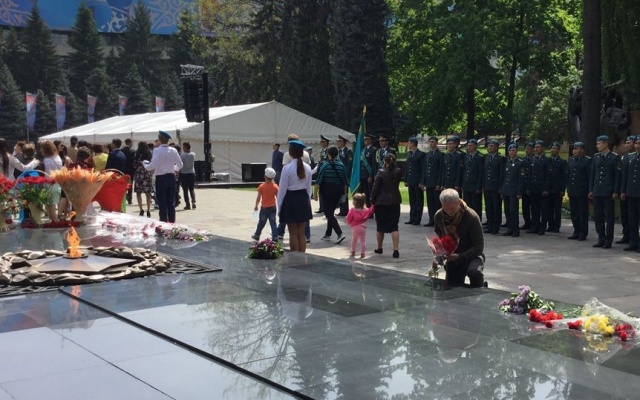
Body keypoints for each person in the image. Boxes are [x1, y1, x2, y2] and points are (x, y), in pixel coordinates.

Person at [433, 188, 486, 288]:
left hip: (473, 255)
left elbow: (478, 247)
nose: (449, 212)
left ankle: (480, 287)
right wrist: (438, 257)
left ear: (458, 202)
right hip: (453, 256)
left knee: (474, 273)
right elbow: (440, 240)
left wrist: (460, 256)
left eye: (452, 209)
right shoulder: (439, 216)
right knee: (452, 286)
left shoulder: (471, 217)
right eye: (446, 209)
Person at [277, 139, 313, 252]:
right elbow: (309, 188)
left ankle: (295, 258)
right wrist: (307, 202)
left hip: (291, 199)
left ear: (290, 152)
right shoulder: (308, 167)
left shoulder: (286, 168)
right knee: (301, 233)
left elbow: (282, 189)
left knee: (293, 233)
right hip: (303, 198)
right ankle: (302, 256)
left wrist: (280, 206)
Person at [144, 131, 184, 223]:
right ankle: (172, 222)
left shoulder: (157, 150)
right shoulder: (173, 150)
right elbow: (180, 164)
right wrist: (174, 169)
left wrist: (145, 165)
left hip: (161, 178)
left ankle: (163, 222)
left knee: (162, 203)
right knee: (171, 202)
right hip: (171, 177)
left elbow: (153, 165)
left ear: (159, 139)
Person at [589, 135, 620, 248]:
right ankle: (601, 238)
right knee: (598, 216)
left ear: (606, 144)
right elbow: (593, 174)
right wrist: (591, 189)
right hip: (597, 190)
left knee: (609, 217)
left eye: (599, 143)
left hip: (608, 191)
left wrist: (615, 191)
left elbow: (617, 176)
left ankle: (608, 240)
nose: (597, 146)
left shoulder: (614, 157)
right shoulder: (596, 157)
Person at [371, 153, 402, 258]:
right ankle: (396, 249)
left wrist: (372, 199)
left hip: (382, 202)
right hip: (395, 201)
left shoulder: (381, 172)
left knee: (380, 227)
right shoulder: (398, 171)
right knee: (394, 227)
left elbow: (375, 187)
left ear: (384, 162)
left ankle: (379, 247)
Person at [316, 146, 348, 244]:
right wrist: (345, 194)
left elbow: (318, 181)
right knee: (331, 211)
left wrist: (315, 194)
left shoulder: (325, 165)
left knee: (328, 213)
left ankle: (339, 233)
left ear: (328, 154)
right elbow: (345, 181)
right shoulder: (341, 165)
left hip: (327, 191)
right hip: (338, 191)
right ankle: (328, 234)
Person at [566, 142, 591, 241]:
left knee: (582, 213)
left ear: (582, 150)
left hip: (582, 191)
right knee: (574, 213)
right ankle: (576, 231)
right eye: (574, 149)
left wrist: (589, 190)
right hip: (572, 190)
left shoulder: (587, 161)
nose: (574, 151)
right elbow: (569, 175)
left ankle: (583, 233)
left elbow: (589, 177)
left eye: (576, 149)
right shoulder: (571, 160)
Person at [620, 136, 640, 252]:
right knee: (632, 219)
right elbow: (625, 176)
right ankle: (633, 243)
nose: (637, 146)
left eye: (639, 143)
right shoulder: (630, 157)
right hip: (631, 192)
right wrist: (623, 191)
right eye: (636, 143)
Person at [501, 144, 525, 237]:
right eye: (510, 150)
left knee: (513, 210)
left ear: (517, 151)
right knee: (507, 210)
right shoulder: (507, 162)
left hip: (514, 191)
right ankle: (509, 228)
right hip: (506, 190)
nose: (511, 152)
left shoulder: (520, 162)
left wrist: (519, 192)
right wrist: (503, 191)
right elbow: (504, 178)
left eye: (513, 150)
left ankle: (515, 229)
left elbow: (521, 179)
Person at [526, 140, 549, 235]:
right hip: (533, 188)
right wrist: (528, 187)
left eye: (538, 147)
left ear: (543, 148)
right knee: (534, 209)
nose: (536, 149)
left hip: (542, 188)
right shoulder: (533, 159)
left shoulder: (547, 160)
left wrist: (546, 189)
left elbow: (548, 176)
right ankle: (535, 226)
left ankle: (542, 227)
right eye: (535, 147)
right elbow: (529, 174)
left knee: (543, 209)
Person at [617, 135, 636, 244]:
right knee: (625, 215)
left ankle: (634, 238)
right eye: (626, 143)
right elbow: (622, 175)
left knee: (633, 217)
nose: (626, 145)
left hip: (634, 191)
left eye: (629, 143)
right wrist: (621, 190)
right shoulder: (625, 157)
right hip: (625, 190)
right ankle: (626, 236)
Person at [483, 139, 504, 234]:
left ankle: (496, 226)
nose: (490, 147)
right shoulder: (486, 157)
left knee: (496, 207)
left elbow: (501, 174)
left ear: (496, 147)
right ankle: (490, 225)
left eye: (492, 146)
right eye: (489, 146)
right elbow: (484, 173)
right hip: (487, 186)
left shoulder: (500, 159)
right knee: (489, 207)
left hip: (495, 187)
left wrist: (500, 187)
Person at [421, 135, 443, 226]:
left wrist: (439, 183)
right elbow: (425, 169)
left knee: (437, 202)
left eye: (433, 142)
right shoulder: (427, 154)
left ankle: (438, 221)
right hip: (428, 181)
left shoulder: (440, 155)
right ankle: (431, 220)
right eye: (430, 142)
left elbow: (441, 170)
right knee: (430, 202)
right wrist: (423, 182)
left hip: (435, 182)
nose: (431, 143)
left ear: (436, 143)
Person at [252, 167, 279, 241]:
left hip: (264, 207)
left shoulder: (261, 186)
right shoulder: (275, 186)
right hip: (273, 207)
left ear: (265, 176)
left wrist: (256, 206)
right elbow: (278, 197)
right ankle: (275, 236)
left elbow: (258, 198)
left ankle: (257, 235)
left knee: (261, 222)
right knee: (273, 222)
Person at [545, 142, 567, 233]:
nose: (553, 150)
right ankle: (550, 225)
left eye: (555, 148)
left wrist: (562, 189)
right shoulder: (547, 161)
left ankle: (557, 226)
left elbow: (564, 177)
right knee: (549, 209)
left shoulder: (562, 162)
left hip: (557, 189)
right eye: (552, 148)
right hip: (548, 189)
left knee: (557, 209)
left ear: (558, 150)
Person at [346, 193, 376, 258]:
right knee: (363, 241)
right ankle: (363, 253)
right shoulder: (365, 210)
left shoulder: (352, 210)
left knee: (354, 239)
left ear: (354, 202)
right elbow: (370, 211)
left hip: (354, 227)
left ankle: (353, 251)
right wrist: (373, 205)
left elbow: (348, 218)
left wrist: (349, 222)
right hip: (363, 227)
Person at [40, 140, 64, 222]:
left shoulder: (46, 160)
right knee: (52, 202)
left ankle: (54, 220)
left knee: (50, 203)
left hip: (49, 183)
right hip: (57, 183)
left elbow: (47, 173)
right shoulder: (57, 158)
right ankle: (53, 220)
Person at [403, 136, 425, 225]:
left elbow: (423, 169)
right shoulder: (409, 154)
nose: (408, 144)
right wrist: (405, 179)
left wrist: (422, 181)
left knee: (418, 200)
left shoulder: (420, 154)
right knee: (412, 200)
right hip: (410, 180)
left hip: (417, 180)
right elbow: (407, 167)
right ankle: (412, 217)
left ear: (413, 144)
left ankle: (417, 218)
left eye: (409, 143)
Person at [462, 138, 483, 221]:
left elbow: (480, 173)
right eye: (468, 145)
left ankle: (477, 221)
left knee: (476, 206)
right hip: (467, 184)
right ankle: (469, 221)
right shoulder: (467, 156)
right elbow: (464, 171)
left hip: (475, 185)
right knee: (467, 205)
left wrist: (479, 187)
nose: (468, 147)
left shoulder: (480, 157)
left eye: (470, 145)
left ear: (475, 146)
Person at [133, 141, 153, 217]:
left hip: (139, 174)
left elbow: (134, 165)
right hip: (147, 173)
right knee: (148, 193)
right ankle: (148, 209)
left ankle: (141, 209)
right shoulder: (149, 153)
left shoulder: (137, 154)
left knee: (138, 192)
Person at [336, 134, 353, 217]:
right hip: (339, 176)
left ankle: (345, 210)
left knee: (344, 193)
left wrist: (347, 176)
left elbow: (349, 165)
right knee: (340, 193)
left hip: (345, 176)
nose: (338, 143)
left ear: (343, 142)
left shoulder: (348, 151)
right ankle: (341, 210)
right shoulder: (339, 152)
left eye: (339, 141)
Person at [519, 142, 535, 230]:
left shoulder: (534, 159)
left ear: (532, 149)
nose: (526, 150)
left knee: (533, 207)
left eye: (528, 148)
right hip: (524, 186)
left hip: (532, 187)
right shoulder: (523, 160)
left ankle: (534, 223)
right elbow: (522, 173)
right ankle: (527, 222)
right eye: (526, 148)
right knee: (525, 207)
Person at [359, 133, 377, 207]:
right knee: (364, 192)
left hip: (369, 175)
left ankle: (371, 208)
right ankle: (366, 207)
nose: (364, 141)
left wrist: (370, 175)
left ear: (370, 140)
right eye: (364, 140)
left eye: (366, 139)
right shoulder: (363, 150)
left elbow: (374, 164)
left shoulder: (373, 150)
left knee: (370, 192)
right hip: (363, 175)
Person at [315, 135, 330, 213]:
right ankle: (321, 207)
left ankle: (326, 207)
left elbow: (330, 160)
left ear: (327, 143)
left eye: (323, 142)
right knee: (321, 190)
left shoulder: (329, 151)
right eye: (321, 142)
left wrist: (323, 162)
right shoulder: (322, 151)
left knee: (326, 191)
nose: (321, 143)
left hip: (327, 173)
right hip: (321, 172)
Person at [180, 142, 196, 210]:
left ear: (186, 147)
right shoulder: (193, 154)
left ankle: (187, 204)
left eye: (183, 147)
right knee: (191, 189)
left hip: (184, 173)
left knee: (185, 190)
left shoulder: (183, 155)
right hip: (191, 173)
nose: (183, 148)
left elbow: (181, 164)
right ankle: (193, 201)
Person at [122, 138, 136, 205]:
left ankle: (123, 197)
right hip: (131, 170)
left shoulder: (121, 151)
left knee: (123, 184)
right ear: (130, 143)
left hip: (123, 169)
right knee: (130, 184)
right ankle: (130, 199)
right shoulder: (133, 151)